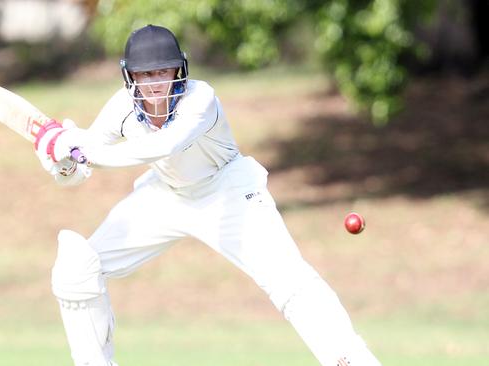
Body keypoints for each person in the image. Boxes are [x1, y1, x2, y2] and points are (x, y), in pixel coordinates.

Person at [34, 24, 382, 366]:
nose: (155, 83)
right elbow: (79, 173)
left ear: (178, 71)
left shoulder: (200, 98)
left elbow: (159, 147)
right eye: (145, 75)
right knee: (76, 269)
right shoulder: (120, 107)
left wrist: (79, 148)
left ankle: (352, 361)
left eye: (162, 72)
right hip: (165, 195)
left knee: (290, 283)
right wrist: (63, 162)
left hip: (228, 192)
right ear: (130, 78)